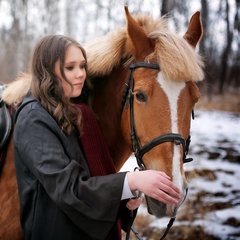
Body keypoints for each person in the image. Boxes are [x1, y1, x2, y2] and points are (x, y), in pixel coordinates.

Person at [13, 34, 181, 240]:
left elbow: (88, 179)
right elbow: (69, 189)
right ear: (48, 70)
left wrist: (123, 201)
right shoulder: (33, 119)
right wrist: (131, 180)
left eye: (83, 66)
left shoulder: (72, 111)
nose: (81, 74)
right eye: (70, 67)